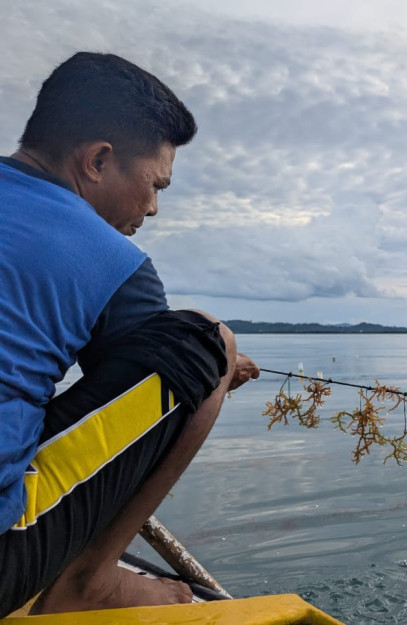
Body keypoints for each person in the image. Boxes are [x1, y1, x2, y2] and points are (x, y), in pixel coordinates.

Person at [0, 52, 260, 616]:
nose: (154, 207)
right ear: (97, 160)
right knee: (207, 340)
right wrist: (216, 369)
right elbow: (169, 387)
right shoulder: (112, 260)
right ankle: (87, 583)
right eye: (154, 184)